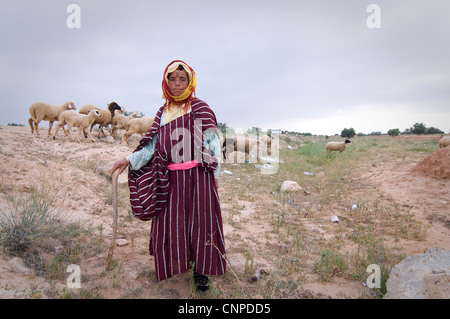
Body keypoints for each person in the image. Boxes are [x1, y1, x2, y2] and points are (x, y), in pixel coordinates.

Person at [111, 60, 226, 291]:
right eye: (172, 79)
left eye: (182, 79)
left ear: (190, 82)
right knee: (173, 222)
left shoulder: (201, 108)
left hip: (199, 178)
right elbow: (151, 147)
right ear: (166, 81)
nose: (176, 84)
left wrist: (214, 174)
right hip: (170, 180)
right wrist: (128, 160)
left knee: (201, 222)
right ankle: (177, 262)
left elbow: (213, 144)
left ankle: (201, 271)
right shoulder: (163, 113)